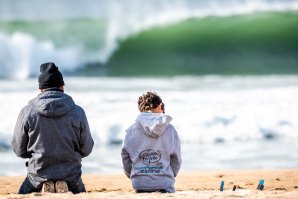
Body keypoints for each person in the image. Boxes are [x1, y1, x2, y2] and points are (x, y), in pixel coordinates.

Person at [11, 62, 94, 194]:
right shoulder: (78, 112)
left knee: (21, 195)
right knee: (82, 194)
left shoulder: (27, 112)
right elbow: (87, 149)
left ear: (41, 89)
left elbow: (18, 149)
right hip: (71, 176)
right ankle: (63, 184)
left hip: (37, 176)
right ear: (62, 86)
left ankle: (45, 184)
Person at [121, 91, 182, 193]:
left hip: (139, 182)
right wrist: (170, 175)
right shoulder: (170, 129)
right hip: (164, 181)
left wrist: (131, 174)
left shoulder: (131, 130)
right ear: (159, 106)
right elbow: (176, 159)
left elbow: (125, 156)